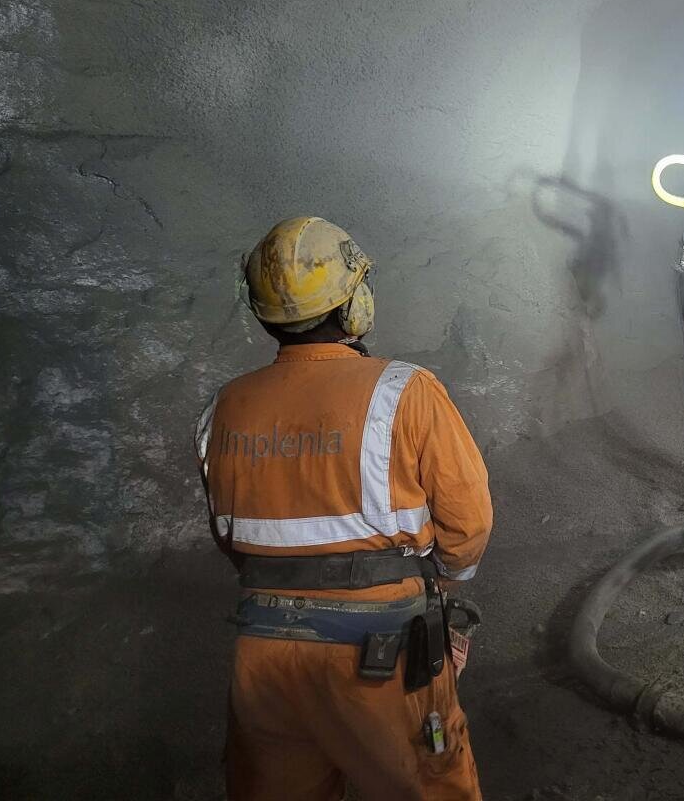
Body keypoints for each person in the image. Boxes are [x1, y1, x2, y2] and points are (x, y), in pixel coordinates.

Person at [195, 216, 492, 800]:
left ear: (261, 314)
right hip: (382, 656)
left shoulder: (224, 407)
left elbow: (232, 537)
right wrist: (448, 589)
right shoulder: (405, 390)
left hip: (265, 660)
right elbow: (469, 520)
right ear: (353, 305)